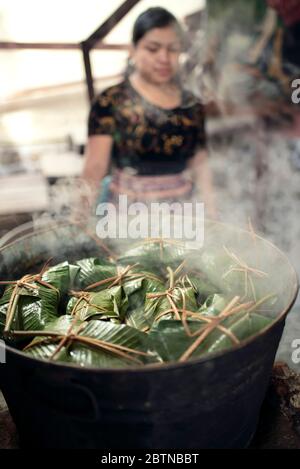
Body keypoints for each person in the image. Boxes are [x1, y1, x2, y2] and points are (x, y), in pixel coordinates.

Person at [82, 7, 215, 215]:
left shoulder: (191, 104)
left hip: (182, 214)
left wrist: (212, 212)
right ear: (133, 50)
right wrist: (80, 221)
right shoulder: (111, 102)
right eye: (153, 49)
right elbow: (95, 168)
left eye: (172, 49)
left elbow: (200, 164)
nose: (164, 57)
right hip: (126, 219)